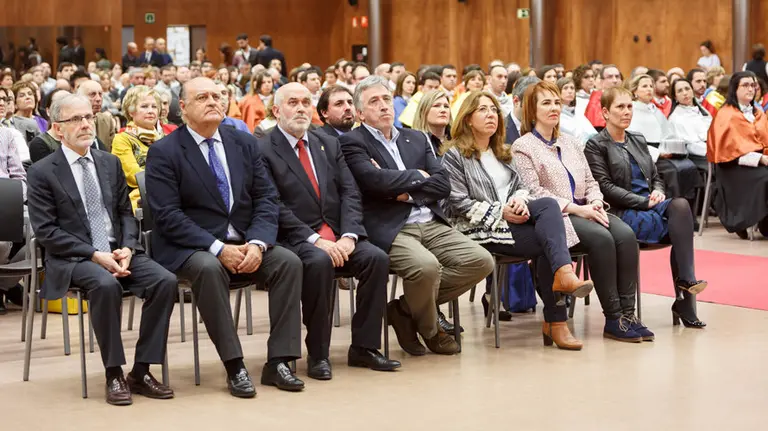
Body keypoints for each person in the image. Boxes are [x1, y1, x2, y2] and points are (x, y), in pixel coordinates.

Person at [145, 77, 304, 397]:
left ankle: (279, 361)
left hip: (245, 241)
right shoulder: (164, 151)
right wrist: (218, 248)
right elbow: (167, 216)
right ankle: (235, 366)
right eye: (202, 97)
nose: (213, 102)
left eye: (218, 96)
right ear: (183, 109)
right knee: (208, 267)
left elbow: (265, 199)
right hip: (190, 246)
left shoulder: (243, 142)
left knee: (288, 261)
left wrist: (258, 243)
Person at [27, 93, 177, 406]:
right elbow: (47, 231)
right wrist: (95, 255)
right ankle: (113, 372)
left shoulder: (108, 162)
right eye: (75, 119)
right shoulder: (42, 172)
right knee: (105, 284)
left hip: (116, 250)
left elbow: (125, 211)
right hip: (74, 257)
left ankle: (142, 370)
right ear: (58, 128)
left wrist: (126, 247)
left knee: (165, 281)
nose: (85, 124)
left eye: (88, 117)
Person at [339, 76, 494, 356]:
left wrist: (403, 189)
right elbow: (372, 181)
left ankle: (404, 309)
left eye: (386, 99)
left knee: (481, 261)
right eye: (374, 101)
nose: (384, 106)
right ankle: (432, 331)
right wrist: (417, 177)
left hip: (430, 221)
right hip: (391, 226)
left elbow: (443, 184)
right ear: (360, 113)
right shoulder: (352, 142)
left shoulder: (416, 137)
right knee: (426, 268)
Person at [259, 83, 400, 377]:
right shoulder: (262, 148)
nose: (300, 108)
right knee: (319, 262)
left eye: (305, 102)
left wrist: (349, 235)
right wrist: (315, 240)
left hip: (338, 233)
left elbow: (350, 192)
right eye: (292, 102)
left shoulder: (329, 143)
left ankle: (364, 347)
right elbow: (272, 203)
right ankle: (319, 354)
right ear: (276, 110)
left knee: (376, 258)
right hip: (294, 237)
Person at [442, 91, 593, 349]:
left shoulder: (503, 152)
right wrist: (501, 210)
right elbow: (457, 202)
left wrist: (519, 202)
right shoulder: (455, 155)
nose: (491, 115)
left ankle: (562, 279)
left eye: (493, 110)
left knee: (546, 206)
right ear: (468, 119)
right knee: (550, 242)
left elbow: (523, 187)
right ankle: (556, 320)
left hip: (514, 221)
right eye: (483, 110)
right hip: (480, 228)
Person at [512, 81, 648, 343]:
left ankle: (628, 315)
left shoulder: (572, 143)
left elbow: (592, 181)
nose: (554, 108)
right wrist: (578, 209)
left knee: (626, 235)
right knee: (601, 239)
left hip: (587, 209)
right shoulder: (523, 146)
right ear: (532, 109)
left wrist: (595, 202)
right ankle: (613, 317)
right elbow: (534, 191)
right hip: (558, 216)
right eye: (546, 103)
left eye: (556, 103)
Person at [585, 87, 707, 329]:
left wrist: (659, 190)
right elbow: (606, 188)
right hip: (621, 210)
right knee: (678, 230)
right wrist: (643, 202)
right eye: (620, 107)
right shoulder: (596, 145)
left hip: (651, 204)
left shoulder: (638, 139)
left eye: (630, 106)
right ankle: (685, 300)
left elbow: (656, 175)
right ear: (606, 112)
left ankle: (686, 283)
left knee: (681, 207)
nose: (627, 111)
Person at [706, 71, 768, 239]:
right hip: (732, 167)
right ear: (735, 88)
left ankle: (765, 224)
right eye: (746, 85)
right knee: (765, 178)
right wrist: (760, 159)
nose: (751, 89)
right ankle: (745, 220)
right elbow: (727, 151)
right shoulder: (726, 114)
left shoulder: (759, 113)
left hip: (760, 162)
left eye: (753, 85)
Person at [626, 74, 702, 200]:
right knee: (673, 171)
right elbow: (632, 141)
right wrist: (658, 153)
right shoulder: (631, 110)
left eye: (651, 86)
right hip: (646, 155)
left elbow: (669, 135)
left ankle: (690, 208)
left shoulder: (655, 110)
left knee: (689, 166)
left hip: (664, 151)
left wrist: (672, 149)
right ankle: (674, 207)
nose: (649, 89)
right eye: (644, 86)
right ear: (635, 91)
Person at [111, 86, 164, 211]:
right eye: (144, 106)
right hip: (140, 200)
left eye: (154, 106)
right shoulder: (122, 139)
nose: (151, 111)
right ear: (131, 111)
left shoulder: (165, 138)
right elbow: (135, 176)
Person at [668, 78, 712, 171]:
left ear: (692, 91)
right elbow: (688, 146)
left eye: (687, 89)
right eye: (680, 91)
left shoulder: (702, 110)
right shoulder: (675, 118)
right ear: (675, 97)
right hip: (697, 156)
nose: (685, 93)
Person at [77, 79, 117, 152]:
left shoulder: (107, 120)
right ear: (80, 98)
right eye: (92, 94)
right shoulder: (72, 122)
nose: (98, 99)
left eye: (100, 94)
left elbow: (113, 151)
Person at [556, 77, 597, 148]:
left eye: (572, 88)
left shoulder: (578, 111)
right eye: (565, 88)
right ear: (558, 91)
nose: (570, 91)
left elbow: (592, 133)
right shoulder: (557, 114)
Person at [411, 90, 452, 157]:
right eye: (436, 106)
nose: (443, 110)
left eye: (446, 106)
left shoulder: (458, 140)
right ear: (423, 111)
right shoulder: (413, 143)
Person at [504, 76, 540, 144]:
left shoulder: (545, 127)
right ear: (516, 101)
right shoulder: (499, 131)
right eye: (534, 102)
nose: (539, 107)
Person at [585, 64, 622, 129]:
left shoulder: (624, 97)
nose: (615, 80)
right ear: (602, 81)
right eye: (610, 77)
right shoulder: (596, 102)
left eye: (617, 76)